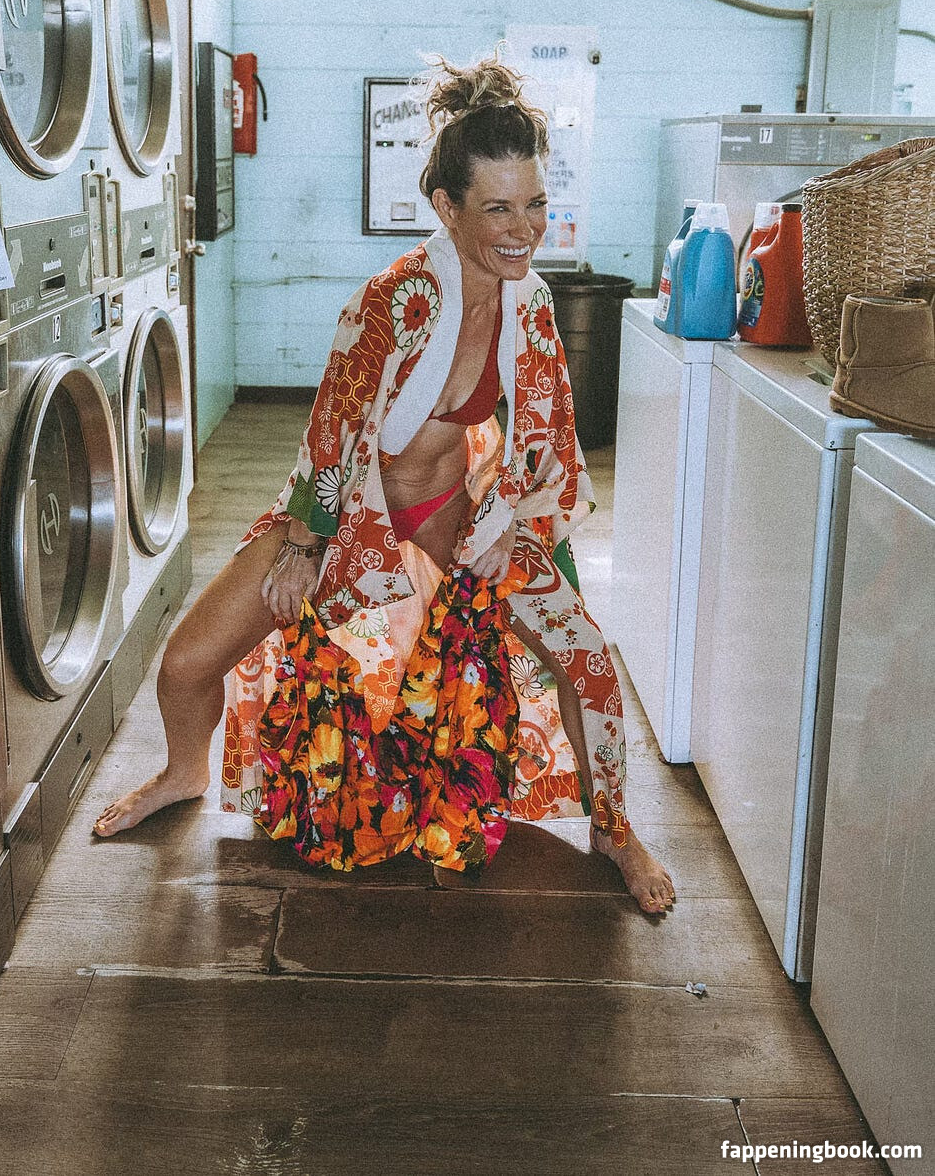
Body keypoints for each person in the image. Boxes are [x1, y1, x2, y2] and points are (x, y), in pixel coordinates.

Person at [95, 57, 675, 914]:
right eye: (498, 209)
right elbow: (331, 428)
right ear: (446, 207)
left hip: (458, 513)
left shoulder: (531, 302)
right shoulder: (395, 300)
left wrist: (513, 523)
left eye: (536, 204)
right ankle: (184, 771)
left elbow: (549, 435)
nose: (525, 230)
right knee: (185, 664)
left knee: (586, 659)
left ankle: (616, 832)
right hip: (346, 517)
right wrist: (302, 546)